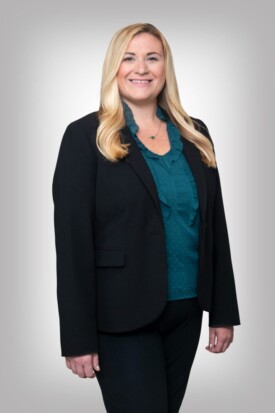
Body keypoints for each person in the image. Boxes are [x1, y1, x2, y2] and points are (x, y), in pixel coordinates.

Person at [52, 22, 241, 413]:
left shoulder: (195, 134)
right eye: (129, 58)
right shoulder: (85, 137)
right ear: (114, 68)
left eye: (152, 58)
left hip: (186, 313)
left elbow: (214, 227)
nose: (142, 68)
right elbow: (72, 243)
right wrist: (76, 338)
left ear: (165, 67)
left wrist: (223, 312)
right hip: (120, 318)